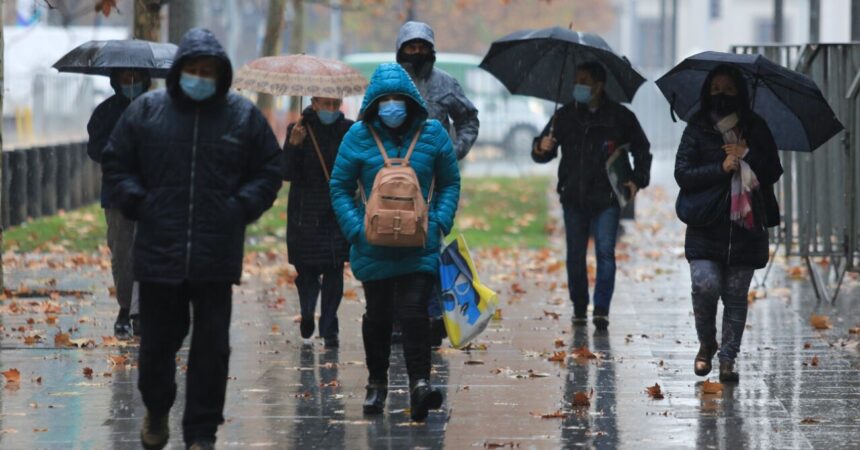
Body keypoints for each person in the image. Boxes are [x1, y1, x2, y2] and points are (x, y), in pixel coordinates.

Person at [102, 28, 282, 449]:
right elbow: (116, 161)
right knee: (159, 345)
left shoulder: (242, 116)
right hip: (159, 252)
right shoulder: (147, 112)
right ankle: (158, 408)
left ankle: (201, 432)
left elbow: (269, 168)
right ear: (179, 70)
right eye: (194, 69)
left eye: (208, 71)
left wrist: (242, 205)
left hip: (215, 255)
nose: (200, 77)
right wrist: (138, 202)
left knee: (212, 348)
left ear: (222, 75)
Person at [330, 63, 460, 422]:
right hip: (373, 245)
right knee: (379, 315)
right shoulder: (357, 137)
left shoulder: (432, 134)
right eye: (384, 99)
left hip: (419, 243)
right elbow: (339, 187)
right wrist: (357, 229)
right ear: (374, 103)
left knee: (415, 311)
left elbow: (450, 182)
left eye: (397, 99)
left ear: (409, 101)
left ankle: (420, 383)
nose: (391, 106)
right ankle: (377, 383)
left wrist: (438, 223)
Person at [674, 64, 782, 382]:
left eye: (729, 89)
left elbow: (773, 170)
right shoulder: (697, 128)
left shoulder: (755, 127)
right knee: (704, 286)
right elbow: (683, 174)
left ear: (740, 93)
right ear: (707, 92)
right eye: (716, 89)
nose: (722, 95)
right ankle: (707, 344)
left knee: (735, 296)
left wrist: (748, 154)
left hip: (745, 226)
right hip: (705, 224)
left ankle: (727, 360)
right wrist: (721, 168)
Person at [532, 62, 652, 330]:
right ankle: (578, 306)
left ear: (599, 85)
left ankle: (601, 309)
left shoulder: (620, 117)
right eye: (576, 80)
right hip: (573, 197)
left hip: (607, 198)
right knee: (575, 256)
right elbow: (543, 152)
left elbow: (642, 149)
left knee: (605, 253)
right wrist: (542, 147)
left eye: (584, 81)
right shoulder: (564, 116)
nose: (579, 86)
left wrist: (636, 180)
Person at [395, 20, 479, 345]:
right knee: (395, 247)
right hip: (396, 182)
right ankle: (399, 319)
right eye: (410, 47)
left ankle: (432, 317)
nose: (416, 53)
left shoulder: (446, 84)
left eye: (421, 47)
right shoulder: (393, 83)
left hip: (435, 183)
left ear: (430, 50)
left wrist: (455, 151)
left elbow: (469, 119)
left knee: (430, 247)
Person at [284, 97, 353, 349]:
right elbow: (286, 173)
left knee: (335, 268)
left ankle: (329, 325)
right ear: (314, 102)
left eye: (336, 104)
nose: (331, 110)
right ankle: (306, 312)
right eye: (326, 104)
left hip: (336, 210)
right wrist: (293, 146)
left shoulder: (349, 130)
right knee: (307, 272)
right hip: (305, 213)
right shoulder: (299, 129)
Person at [87, 68, 151, 339]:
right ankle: (126, 307)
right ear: (116, 79)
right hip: (116, 195)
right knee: (122, 253)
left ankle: (142, 311)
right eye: (126, 76)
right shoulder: (105, 112)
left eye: (136, 76)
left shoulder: (157, 108)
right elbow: (95, 148)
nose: (131, 81)